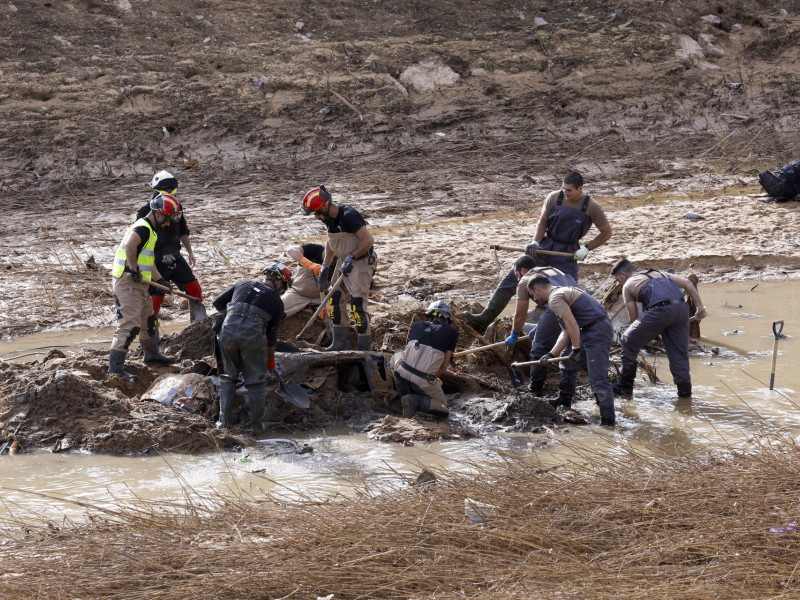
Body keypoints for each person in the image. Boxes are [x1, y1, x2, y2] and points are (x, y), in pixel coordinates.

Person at [463, 172, 611, 333]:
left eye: (569, 190)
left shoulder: (592, 207)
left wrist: (587, 248)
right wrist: (535, 242)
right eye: (563, 189)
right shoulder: (554, 198)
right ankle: (485, 317)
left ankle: (560, 330)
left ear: (580, 189)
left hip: (568, 253)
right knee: (513, 278)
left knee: (566, 291)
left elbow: (606, 232)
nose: (565, 193)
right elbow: (542, 222)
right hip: (545, 247)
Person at [610, 259, 707, 399]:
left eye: (618, 279)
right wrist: (700, 307)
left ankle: (625, 386)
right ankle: (685, 395)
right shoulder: (658, 273)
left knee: (627, 340)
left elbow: (633, 320)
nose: (619, 283)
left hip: (660, 310)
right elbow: (687, 283)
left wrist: (647, 332)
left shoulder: (627, 286)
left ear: (624, 275)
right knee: (679, 355)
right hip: (680, 309)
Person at [212, 263, 292, 433]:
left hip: (227, 332)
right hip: (252, 337)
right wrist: (270, 361)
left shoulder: (243, 284)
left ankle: (223, 423)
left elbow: (217, 303)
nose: (282, 291)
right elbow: (271, 339)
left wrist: (232, 316)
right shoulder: (277, 302)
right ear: (278, 282)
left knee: (227, 376)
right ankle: (257, 426)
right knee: (256, 382)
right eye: (283, 287)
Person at [528, 275, 615, 426]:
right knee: (567, 361)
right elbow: (566, 332)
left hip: (597, 330)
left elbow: (572, 323)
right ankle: (564, 398)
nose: (534, 298)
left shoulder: (555, 298)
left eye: (533, 295)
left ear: (537, 289)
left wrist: (576, 349)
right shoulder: (558, 296)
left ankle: (608, 421)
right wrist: (551, 354)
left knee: (598, 378)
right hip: (588, 330)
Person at [108, 193, 178, 380]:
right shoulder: (143, 227)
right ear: (159, 214)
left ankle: (151, 354)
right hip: (128, 283)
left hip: (139, 285)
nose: (169, 224)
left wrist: (160, 280)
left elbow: (148, 260)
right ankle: (115, 369)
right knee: (129, 326)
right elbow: (130, 246)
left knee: (149, 321)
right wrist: (133, 269)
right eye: (168, 219)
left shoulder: (150, 230)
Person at [301, 185, 378, 351]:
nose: (316, 217)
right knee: (335, 299)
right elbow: (331, 242)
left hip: (361, 261)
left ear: (326, 207)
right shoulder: (329, 219)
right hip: (344, 260)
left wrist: (353, 257)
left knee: (357, 305)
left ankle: (364, 347)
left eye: (317, 213)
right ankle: (339, 343)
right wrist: (326, 266)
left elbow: (368, 240)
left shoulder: (349, 216)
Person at [502, 255, 580, 396]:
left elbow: (520, 315)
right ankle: (566, 394)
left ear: (523, 271)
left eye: (516, 275)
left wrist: (514, 334)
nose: (517, 279)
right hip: (582, 302)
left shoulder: (526, 279)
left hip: (559, 303)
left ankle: (535, 389)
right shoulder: (553, 270)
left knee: (539, 348)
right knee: (572, 348)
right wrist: (541, 327)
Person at [135, 170, 205, 323]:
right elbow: (136, 242)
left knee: (195, 290)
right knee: (155, 300)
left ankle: (199, 325)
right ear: (154, 191)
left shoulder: (176, 207)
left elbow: (183, 231)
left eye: (172, 192)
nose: (169, 195)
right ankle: (150, 332)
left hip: (175, 257)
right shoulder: (144, 212)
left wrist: (190, 252)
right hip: (155, 262)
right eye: (165, 191)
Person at [392, 300, 458, 418]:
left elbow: (408, 352)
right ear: (447, 320)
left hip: (401, 371)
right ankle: (413, 401)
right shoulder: (452, 332)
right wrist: (434, 378)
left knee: (397, 354)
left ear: (428, 317)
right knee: (443, 408)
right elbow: (444, 366)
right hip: (423, 380)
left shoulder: (417, 325)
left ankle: (403, 394)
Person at [281, 242, 326, 318]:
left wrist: (327, 303)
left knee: (335, 317)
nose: (332, 262)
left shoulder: (340, 261)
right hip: (297, 293)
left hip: (320, 297)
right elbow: (291, 250)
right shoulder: (315, 249)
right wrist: (310, 264)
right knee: (277, 311)